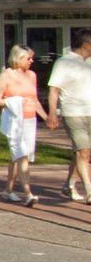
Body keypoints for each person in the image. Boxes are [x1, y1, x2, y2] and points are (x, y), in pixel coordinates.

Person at [0, 44, 53, 206]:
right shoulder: (7, 75)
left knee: (17, 156)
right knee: (22, 155)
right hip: (14, 121)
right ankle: (28, 194)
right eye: (28, 58)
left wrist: (47, 117)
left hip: (30, 120)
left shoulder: (32, 75)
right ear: (18, 59)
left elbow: (35, 100)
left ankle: (8, 190)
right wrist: (14, 101)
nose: (32, 61)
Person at [48, 27, 91, 204]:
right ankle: (89, 191)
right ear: (87, 44)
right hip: (74, 113)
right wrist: (52, 113)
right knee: (83, 152)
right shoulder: (64, 63)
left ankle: (69, 184)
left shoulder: (89, 62)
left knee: (82, 153)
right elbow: (53, 90)